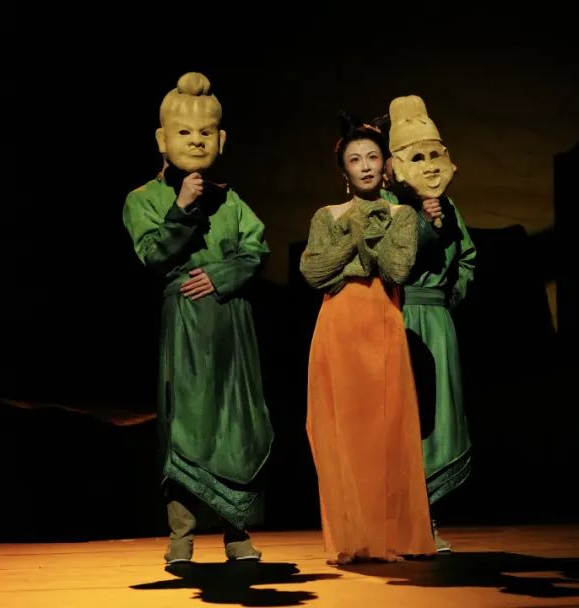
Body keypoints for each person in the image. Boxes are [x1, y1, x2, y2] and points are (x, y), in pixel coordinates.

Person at [122, 72, 273, 564]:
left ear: (221, 140)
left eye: (205, 132)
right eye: (184, 132)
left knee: (236, 423)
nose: (196, 140)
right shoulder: (143, 199)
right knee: (186, 426)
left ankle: (237, 531)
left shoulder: (231, 199)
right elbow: (153, 255)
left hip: (233, 324)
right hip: (186, 324)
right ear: (162, 139)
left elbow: (256, 250)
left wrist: (220, 276)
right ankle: (181, 535)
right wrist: (183, 208)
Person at [300, 113, 434, 564]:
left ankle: (390, 535)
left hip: (381, 322)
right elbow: (313, 273)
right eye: (355, 159)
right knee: (341, 430)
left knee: (385, 429)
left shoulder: (402, 215)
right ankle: (352, 536)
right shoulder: (327, 215)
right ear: (344, 170)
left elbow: (396, 269)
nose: (365, 166)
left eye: (372, 157)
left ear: (385, 165)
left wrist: (351, 259)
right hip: (338, 327)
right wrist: (357, 238)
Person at [387, 95, 477, 553]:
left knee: (439, 420)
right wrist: (424, 225)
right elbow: (392, 262)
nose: (428, 166)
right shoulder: (388, 206)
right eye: (416, 157)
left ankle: (429, 519)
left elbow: (467, 259)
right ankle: (398, 522)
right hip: (399, 318)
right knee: (403, 421)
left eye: (433, 155)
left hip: (437, 319)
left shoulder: (451, 207)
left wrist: (449, 295)